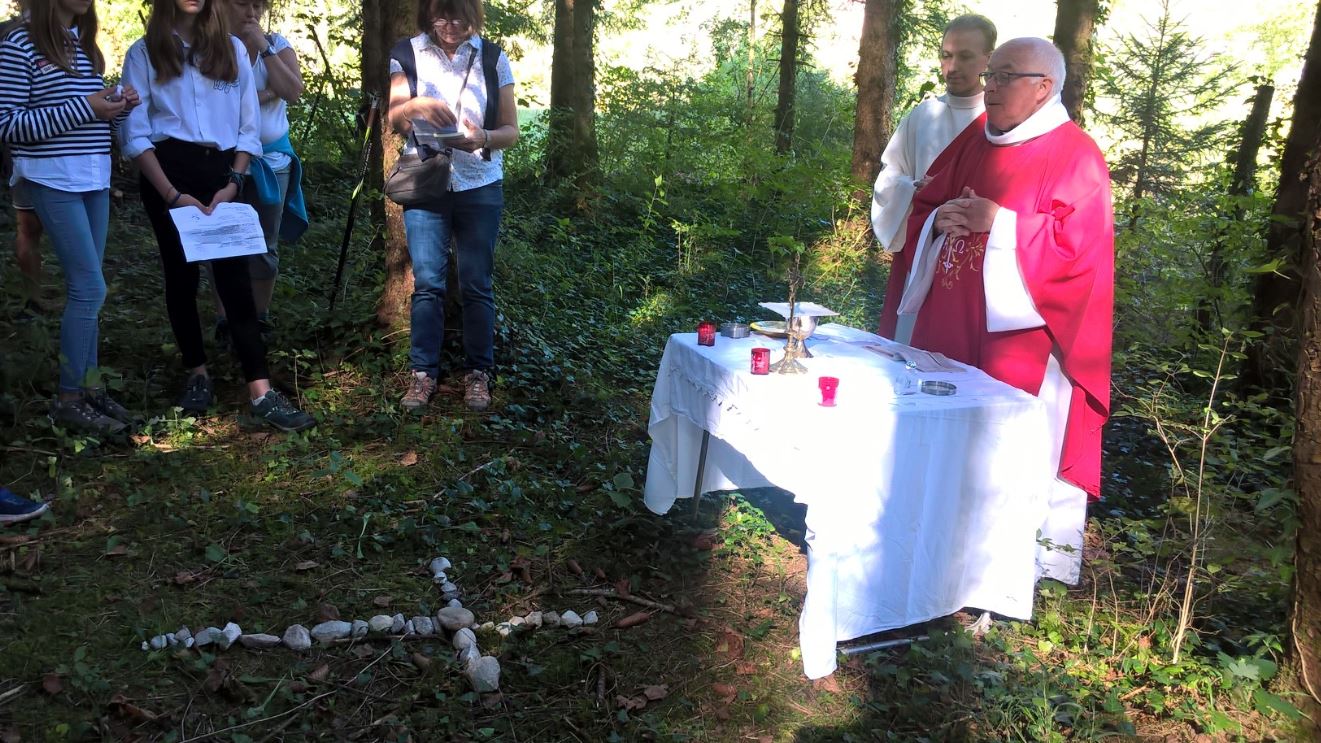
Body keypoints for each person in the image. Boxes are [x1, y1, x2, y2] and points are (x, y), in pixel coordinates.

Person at [877, 38, 1114, 584]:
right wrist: (939, 223)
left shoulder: (1076, 154)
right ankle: (932, 545)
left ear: (1043, 88)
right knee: (944, 437)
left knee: (1005, 451)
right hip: (949, 325)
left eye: (1007, 76)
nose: (991, 85)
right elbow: (925, 206)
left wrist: (999, 223)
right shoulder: (974, 141)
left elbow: (1081, 257)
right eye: (993, 74)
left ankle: (1003, 569)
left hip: (1021, 344)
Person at [120, 0, 315, 432]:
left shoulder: (230, 49)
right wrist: (172, 195)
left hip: (226, 173)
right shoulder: (144, 52)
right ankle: (197, 374)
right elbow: (133, 133)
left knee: (235, 279)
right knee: (181, 275)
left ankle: (261, 392)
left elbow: (248, 126)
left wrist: (233, 181)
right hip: (168, 173)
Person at [0, 0, 143, 434]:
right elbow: (7, 124)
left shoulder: (80, 44)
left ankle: (90, 387)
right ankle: (68, 400)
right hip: (50, 178)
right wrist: (88, 107)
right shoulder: (17, 43)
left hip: (92, 176)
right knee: (89, 287)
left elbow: (89, 114)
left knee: (89, 287)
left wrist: (118, 106)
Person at [387, 0, 518, 412]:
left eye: (459, 16)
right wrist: (414, 107)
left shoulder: (493, 57)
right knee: (428, 283)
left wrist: (483, 139)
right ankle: (422, 374)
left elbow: (511, 131)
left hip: (480, 183)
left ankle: (478, 374)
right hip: (427, 182)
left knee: (477, 283)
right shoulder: (407, 53)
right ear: (428, 14)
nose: (449, 25)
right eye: (441, 16)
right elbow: (394, 118)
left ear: (473, 15)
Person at [873, 13, 994, 344]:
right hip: (920, 247)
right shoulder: (922, 115)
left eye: (966, 56)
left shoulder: (998, 118)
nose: (953, 66)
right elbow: (888, 179)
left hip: (970, 264)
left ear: (989, 59)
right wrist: (914, 193)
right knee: (909, 349)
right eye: (946, 55)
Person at [210, 0, 307, 343]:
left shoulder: (277, 45)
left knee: (264, 245)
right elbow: (215, 101)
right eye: (242, 4)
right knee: (224, 241)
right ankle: (226, 321)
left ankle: (259, 319)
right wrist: (266, 93)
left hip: (271, 162)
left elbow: (294, 90)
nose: (250, 12)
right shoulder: (214, 46)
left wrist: (264, 48)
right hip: (225, 160)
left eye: (257, 5)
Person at [1, 1, 47, 318]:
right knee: (27, 226)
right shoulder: (14, 36)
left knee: (28, 225)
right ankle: (33, 297)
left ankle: (34, 298)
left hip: (19, 145)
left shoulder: (14, 33)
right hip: (18, 140)